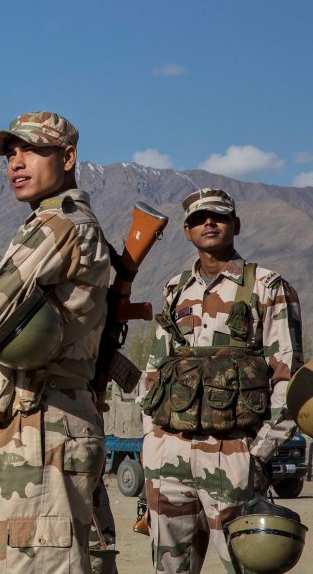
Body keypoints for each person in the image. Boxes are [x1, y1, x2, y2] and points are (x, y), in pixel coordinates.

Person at [0, 111, 111, 574]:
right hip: (34, 423)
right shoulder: (44, 223)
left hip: (49, 423)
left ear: (67, 158)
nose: (15, 163)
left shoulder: (60, 224)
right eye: (10, 153)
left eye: (31, 150)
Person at [138, 188, 302, 574]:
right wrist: (151, 442)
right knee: (170, 569)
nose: (208, 223)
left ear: (236, 225)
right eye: (198, 219)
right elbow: (155, 370)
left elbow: (288, 376)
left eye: (218, 216)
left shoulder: (267, 286)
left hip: (234, 454)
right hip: (169, 453)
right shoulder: (175, 288)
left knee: (246, 567)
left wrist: (258, 453)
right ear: (187, 231)